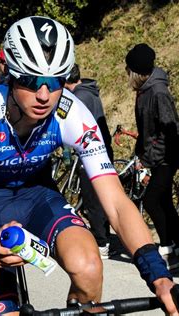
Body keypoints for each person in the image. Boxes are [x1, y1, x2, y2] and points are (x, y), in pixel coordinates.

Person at [0, 16, 179, 315]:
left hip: (38, 197)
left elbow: (117, 204)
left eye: (55, 81)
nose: (44, 95)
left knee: (89, 267)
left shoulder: (72, 112)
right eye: (31, 81)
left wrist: (159, 277)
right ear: (10, 75)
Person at [125, 43, 179, 272]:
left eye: (128, 70)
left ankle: (168, 250)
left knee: (153, 200)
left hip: (168, 154)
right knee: (163, 201)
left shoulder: (158, 92)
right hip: (158, 154)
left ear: (136, 72)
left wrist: (149, 158)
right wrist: (139, 155)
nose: (126, 74)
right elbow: (147, 131)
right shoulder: (144, 91)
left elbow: (169, 130)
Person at [64, 64, 115, 259]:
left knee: (92, 199)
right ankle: (106, 239)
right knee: (101, 197)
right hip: (103, 149)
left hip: (91, 153)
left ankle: (102, 243)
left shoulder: (79, 97)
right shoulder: (90, 92)